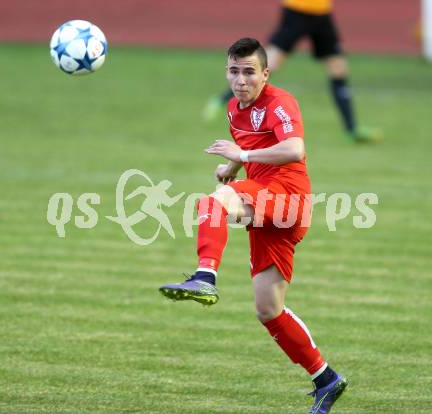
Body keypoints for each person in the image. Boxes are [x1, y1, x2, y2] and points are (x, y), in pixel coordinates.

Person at [160, 38, 348, 413]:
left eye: (249, 72)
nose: (241, 80)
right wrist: (231, 167)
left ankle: (205, 277)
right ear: (226, 72)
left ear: (266, 73)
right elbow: (247, 147)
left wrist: (240, 156)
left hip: (287, 197)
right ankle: (326, 379)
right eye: (234, 71)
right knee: (268, 308)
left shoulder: (280, 102)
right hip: (266, 202)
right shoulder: (234, 109)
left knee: (213, 202)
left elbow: (293, 149)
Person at [203, 0, 381, 143]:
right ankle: (222, 100)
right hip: (298, 10)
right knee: (270, 64)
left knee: (338, 69)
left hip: (322, 13)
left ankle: (352, 130)